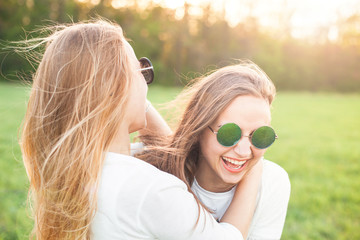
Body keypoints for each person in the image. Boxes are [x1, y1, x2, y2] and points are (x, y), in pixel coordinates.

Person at [18, 19, 262, 240]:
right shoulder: (150, 189)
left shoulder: (70, 168)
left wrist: (120, 99)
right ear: (116, 89)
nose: (146, 83)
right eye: (141, 71)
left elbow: (170, 155)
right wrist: (252, 164)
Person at [139, 62, 291, 239]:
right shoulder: (161, 181)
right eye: (229, 133)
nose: (243, 151)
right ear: (199, 129)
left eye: (261, 135)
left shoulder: (272, 182)